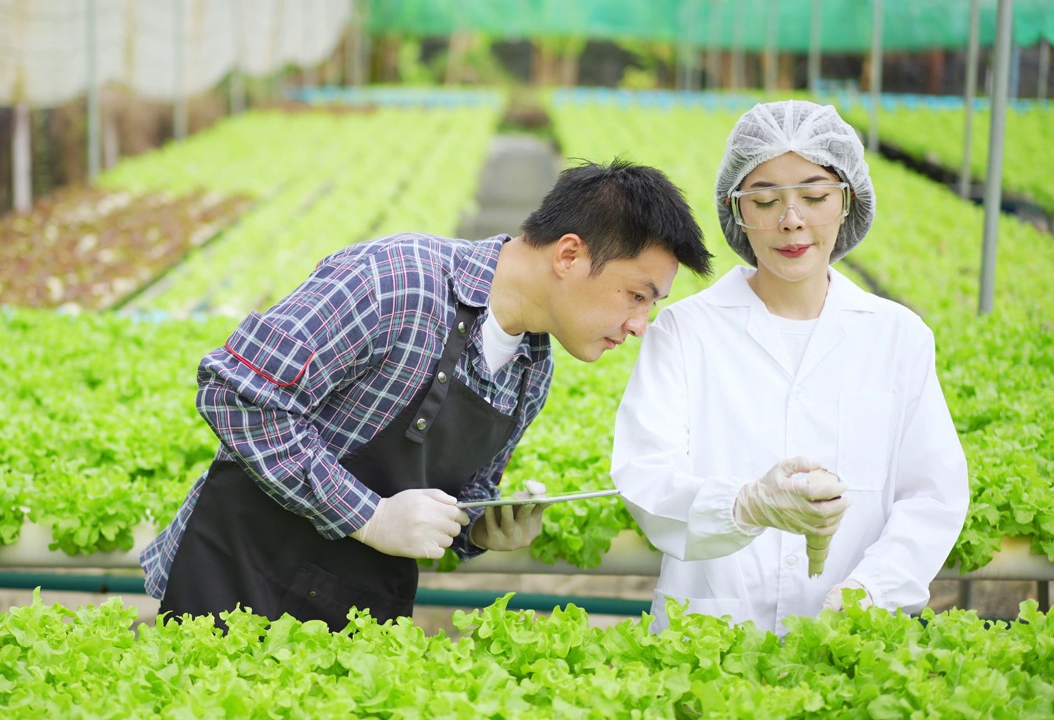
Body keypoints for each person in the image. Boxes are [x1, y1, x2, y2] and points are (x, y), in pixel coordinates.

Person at [140, 158, 714, 632]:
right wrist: (367, 517)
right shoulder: (396, 280)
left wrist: (480, 527)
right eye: (637, 295)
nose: (640, 324)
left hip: (355, 620)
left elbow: (454, 496)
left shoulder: (532, 369)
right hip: (233, 583)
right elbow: (238, 393)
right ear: (569, 255)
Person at [611, 100, 969, 636]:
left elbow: (932, 494)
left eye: (814, 195)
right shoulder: (686, 332)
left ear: (847, 203)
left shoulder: (897, 337)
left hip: (851, 638)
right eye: (765, 198)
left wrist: (871, 589)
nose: (791, 219)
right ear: (737, 210)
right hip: (711, 637)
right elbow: (645, 476)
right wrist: (746, 506)